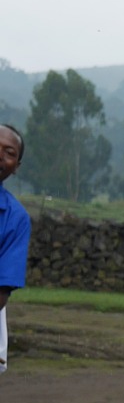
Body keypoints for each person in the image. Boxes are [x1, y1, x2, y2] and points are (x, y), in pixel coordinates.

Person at [0, 124, 31, 376]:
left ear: (16, 167)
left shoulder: (15, 218)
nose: (0, 155)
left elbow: (2, 289)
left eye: (9, 152)